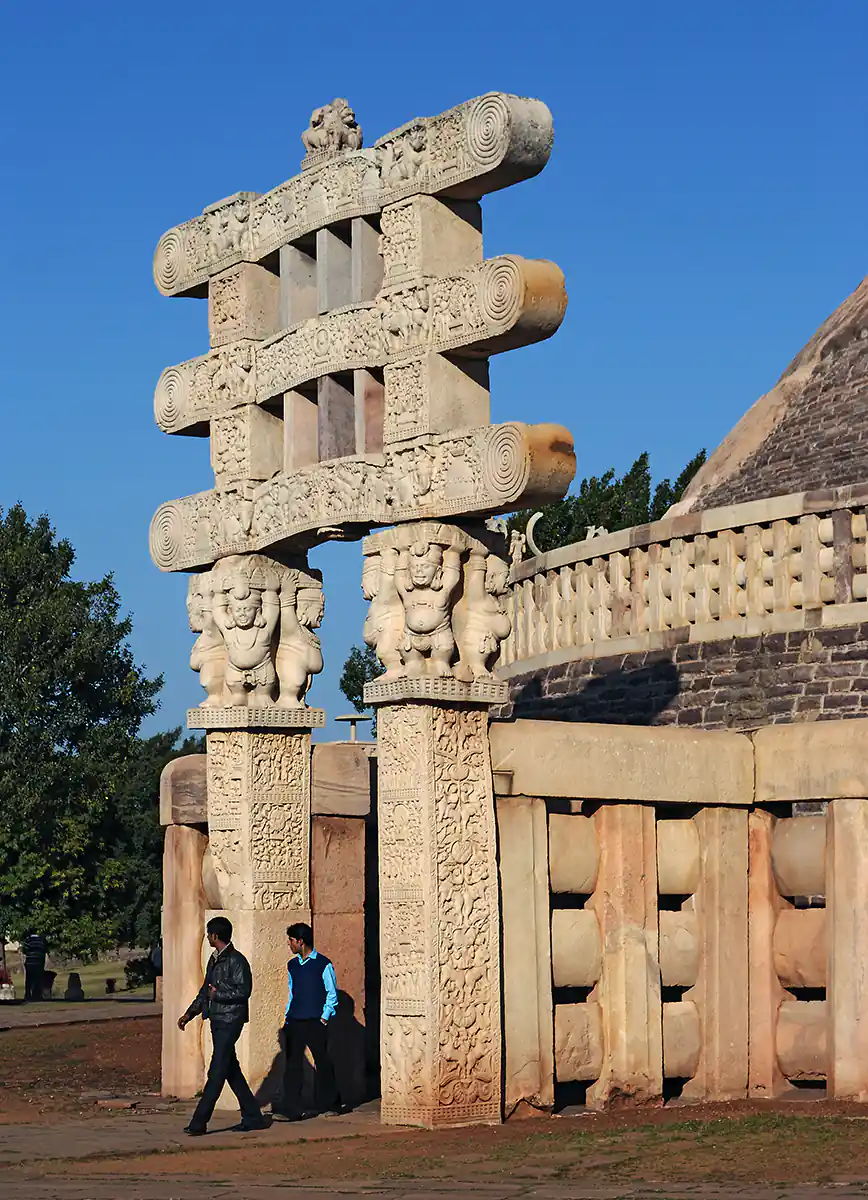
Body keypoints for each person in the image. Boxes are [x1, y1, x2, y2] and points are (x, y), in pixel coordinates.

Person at [177, 916, 269, 1135]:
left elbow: (243, 992)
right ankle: (254, 1116)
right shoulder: (214, 959)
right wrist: (190, 1013)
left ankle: (199, 1122)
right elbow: (204, 991)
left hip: (231, 1020)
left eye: (209, 933)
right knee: (230, 1070)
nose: (207, 937)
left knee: (216, 1071)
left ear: (215, 935)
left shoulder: (237, 961)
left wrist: (218, 994)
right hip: (217, 1020)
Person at [275, 922, 342, 1119]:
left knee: (322, 1061)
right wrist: (288, 1017)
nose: (289, 944)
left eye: (291, 940)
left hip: (315, 1021)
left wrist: (324, 1017)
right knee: (293, 1065)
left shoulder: (323, 964)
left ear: (300, 941)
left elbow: (332, 994)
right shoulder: (292, 965)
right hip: (295, 1020)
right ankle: (291, 1109)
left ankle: (331, 1104)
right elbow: (292, 992)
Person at [21, 932, 47, 1002]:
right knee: (38, 979)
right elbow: (44, 951)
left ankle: (28, 995)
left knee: (29, 979)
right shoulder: (42, 940)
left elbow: (24, 951)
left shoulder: (28, 940)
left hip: (30, 962)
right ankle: (37, 995)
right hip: (39, 962)